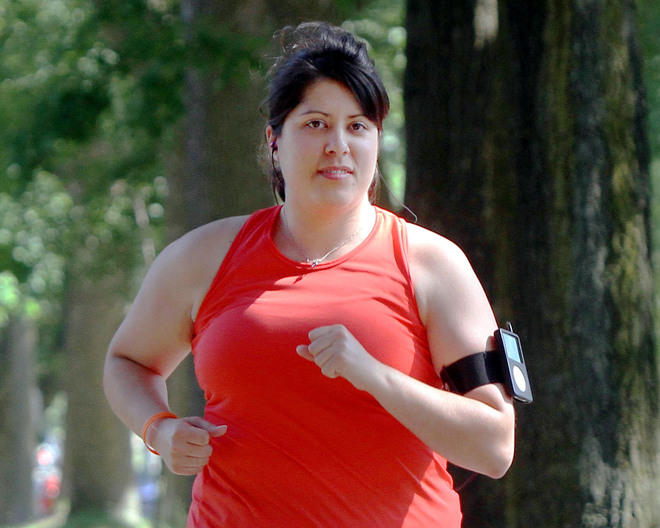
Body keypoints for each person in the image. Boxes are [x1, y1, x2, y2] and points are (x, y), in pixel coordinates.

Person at [104, 21, 515, 527]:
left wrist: (374, 376)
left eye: (358, 126)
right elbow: (128, 361)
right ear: (275, 139)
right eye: (316, 123)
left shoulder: (431, 264)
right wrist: (159, 429)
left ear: (377, 141)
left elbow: (494, 446)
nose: (338, 144)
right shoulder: (204, 257)